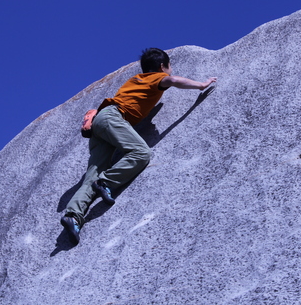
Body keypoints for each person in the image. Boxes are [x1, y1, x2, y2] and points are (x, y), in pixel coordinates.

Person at [61, 48, 217, 245]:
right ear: (162, 67)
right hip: (112, 118)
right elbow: (174, 81)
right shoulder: (156, 78)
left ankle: (73, 216)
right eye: (169, 67)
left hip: (100, 123)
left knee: (92, 173)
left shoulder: (135, 80)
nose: (169, 71)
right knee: (141, 153)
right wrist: (201, 84)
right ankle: (106, 182)